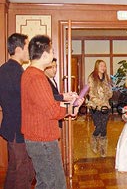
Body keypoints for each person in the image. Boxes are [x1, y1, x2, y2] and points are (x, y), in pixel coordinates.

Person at [21, 35, 84, 189]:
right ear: (44, 55)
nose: (53, 54)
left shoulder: (30, 74)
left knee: (46, 182)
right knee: (54, 184)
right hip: (43, 139)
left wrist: (66, 101)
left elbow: (43, 104)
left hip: (38, 137)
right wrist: (72, 108)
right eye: (52, 51)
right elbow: (51, 111)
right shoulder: (37, 77)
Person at [0, 33, 34, 189]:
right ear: (19, 49)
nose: (30, 51)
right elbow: (32, 97)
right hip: (17, 129)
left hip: (11, 127)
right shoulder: (16, 72)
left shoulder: (6, 69)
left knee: (14, 169)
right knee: (24, 172)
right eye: (28, 47)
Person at [87, 60, 113, 157]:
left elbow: (110, 91)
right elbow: (91, 93)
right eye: (101, 65)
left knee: (104, 128)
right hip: (95, 106)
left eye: (104, 66)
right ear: (97, 66)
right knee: (98, 126)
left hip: (105, 105)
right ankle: (93, 140)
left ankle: (103, 148)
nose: (103, 67)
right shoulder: (92, 77)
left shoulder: (106, 77)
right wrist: (100, 102)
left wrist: (109, 94)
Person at [44, 58, 76, 128]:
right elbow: (49, 98)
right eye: (52, 67)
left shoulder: (52, 80)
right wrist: (63, 97)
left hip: (56, 116)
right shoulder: (44, 80)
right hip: (50, 120)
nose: (55, 70)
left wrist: (68, 97)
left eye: (56, 67)